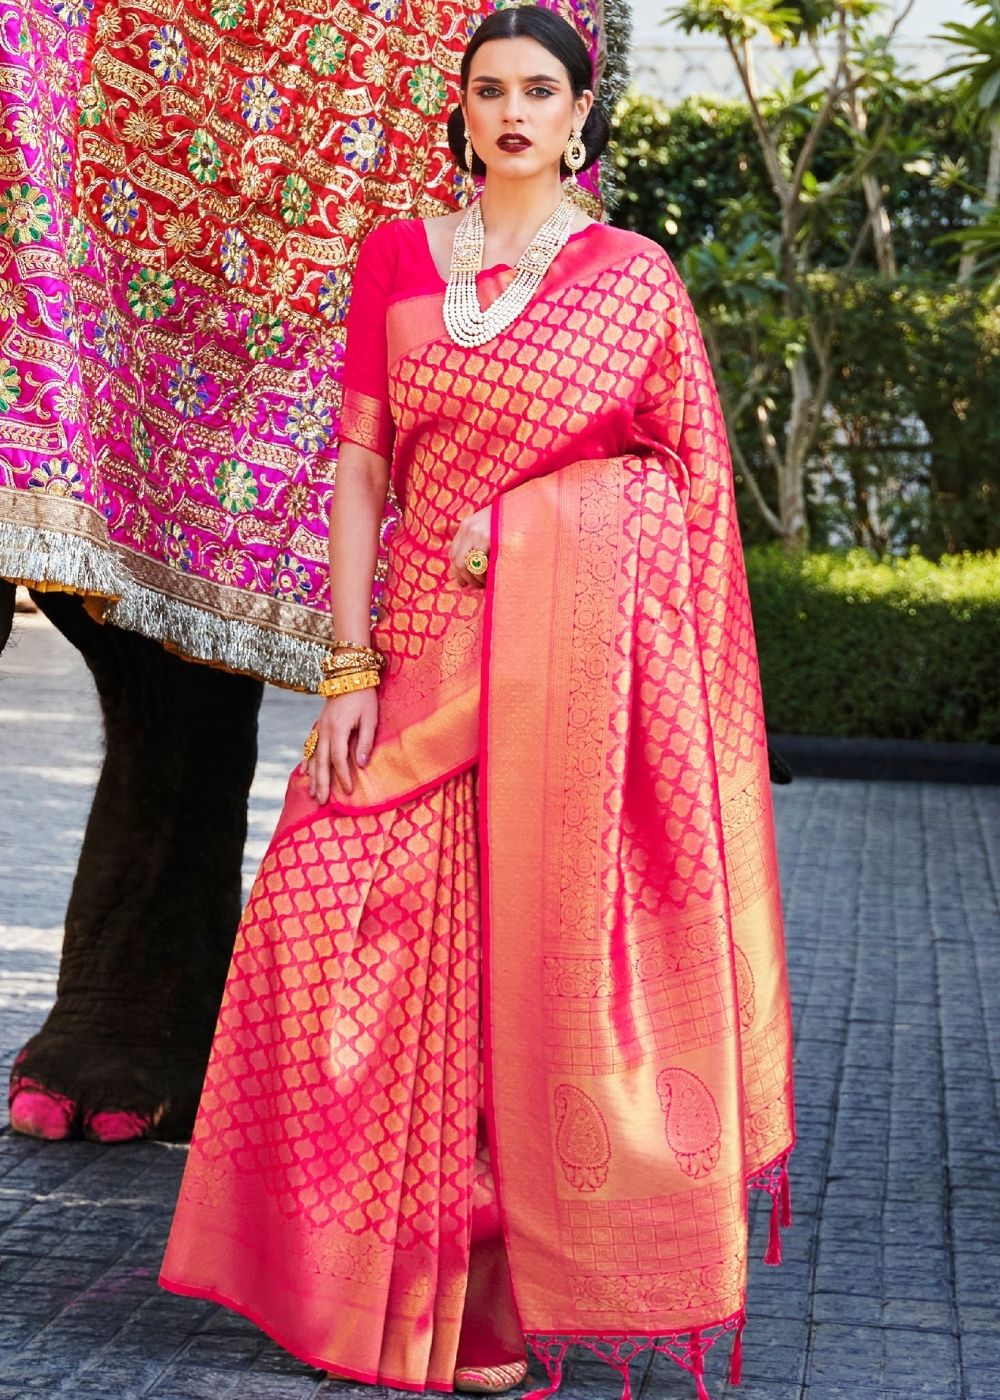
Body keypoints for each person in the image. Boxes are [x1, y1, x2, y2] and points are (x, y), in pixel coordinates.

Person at [159, 8, 796, 1397]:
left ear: (581, 115)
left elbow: (683, 499)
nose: (513, 112)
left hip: (561, 681)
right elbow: (358, 472)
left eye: (540, 92)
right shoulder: (398, 258)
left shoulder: (632, 281)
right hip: (415, 663)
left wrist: (534, 531)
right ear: (462, 110)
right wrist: (345, 665)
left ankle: (486, 1296)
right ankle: (337, 1280)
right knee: (323, 928)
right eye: (490, 91)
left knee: (519, 976)